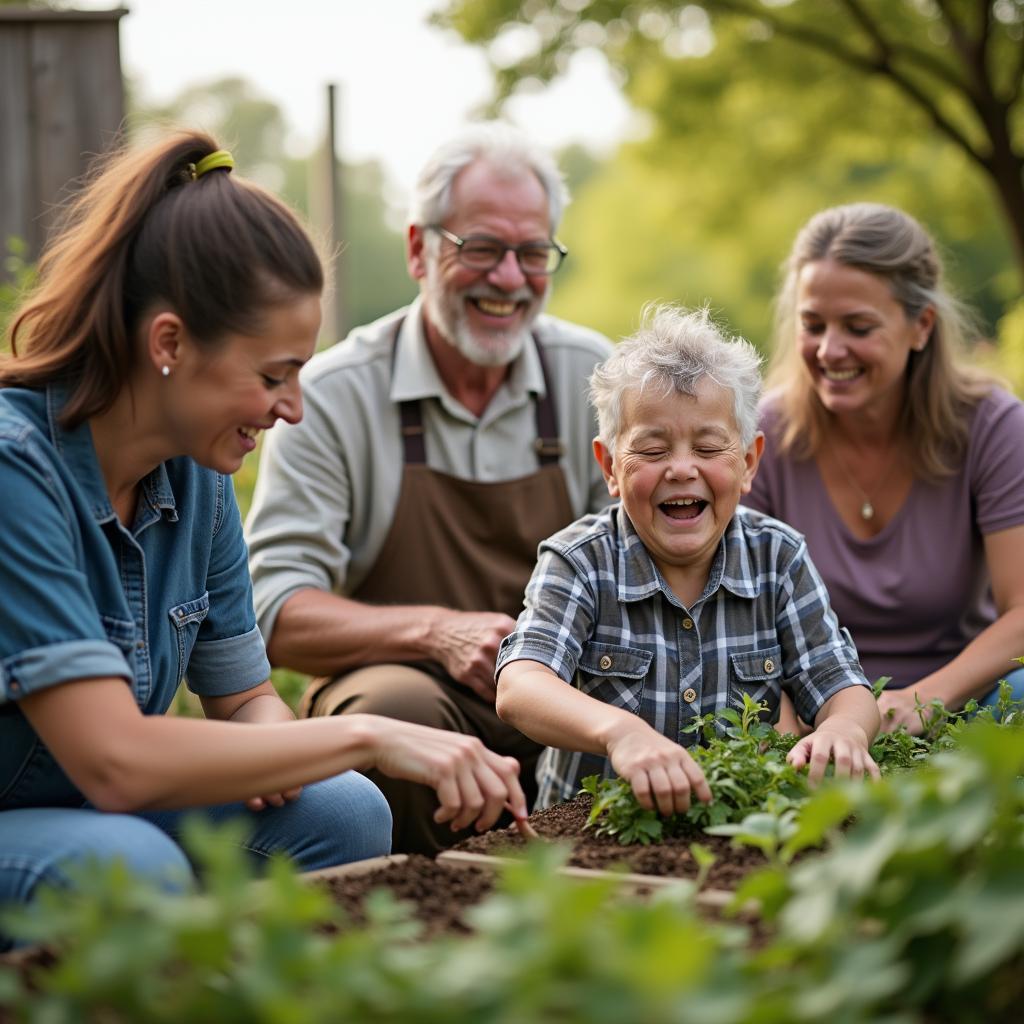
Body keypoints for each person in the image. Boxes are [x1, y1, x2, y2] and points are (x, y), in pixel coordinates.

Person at [0, 131, 527, 946]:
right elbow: (115, 760)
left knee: (346, 809)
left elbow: (245, 701)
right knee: (129, 864)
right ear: (169, 344)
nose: (292, 409)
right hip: (41, 815)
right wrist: (371, 731)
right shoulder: (16, 472)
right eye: (273, 375)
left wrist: (293, 751)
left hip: (96, 806)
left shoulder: (196, 478)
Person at [245, 122, 613, 854]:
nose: (509, 278)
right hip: (412, 702)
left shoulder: (595, 379)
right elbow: (273, 613)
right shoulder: (332, 396)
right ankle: (411, 928)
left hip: (569, 689)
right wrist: (436, 634)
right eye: (480, 248)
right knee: (398, 704)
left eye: (532, 252)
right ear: (419, 248)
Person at [495, 305, 881, 815]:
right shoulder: (579, 561)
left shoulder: (778, 558)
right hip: (592, 833)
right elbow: (521, 685)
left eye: (707, 447)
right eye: (652, 450)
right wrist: (621, 733)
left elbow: (840, 683)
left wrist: (843, 729)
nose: (681, 469)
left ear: (748, 463)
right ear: (610, 467)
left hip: (736, 830)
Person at [743, 202, 1024, 735]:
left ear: (921, 325)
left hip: (960, 703)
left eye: (858, 326)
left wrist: (915, 703)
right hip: (808, 716)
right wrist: (796, 732)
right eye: (813, 324)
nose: (830, 349)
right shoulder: (764, 437)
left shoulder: (993, 427)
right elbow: (736, 621)